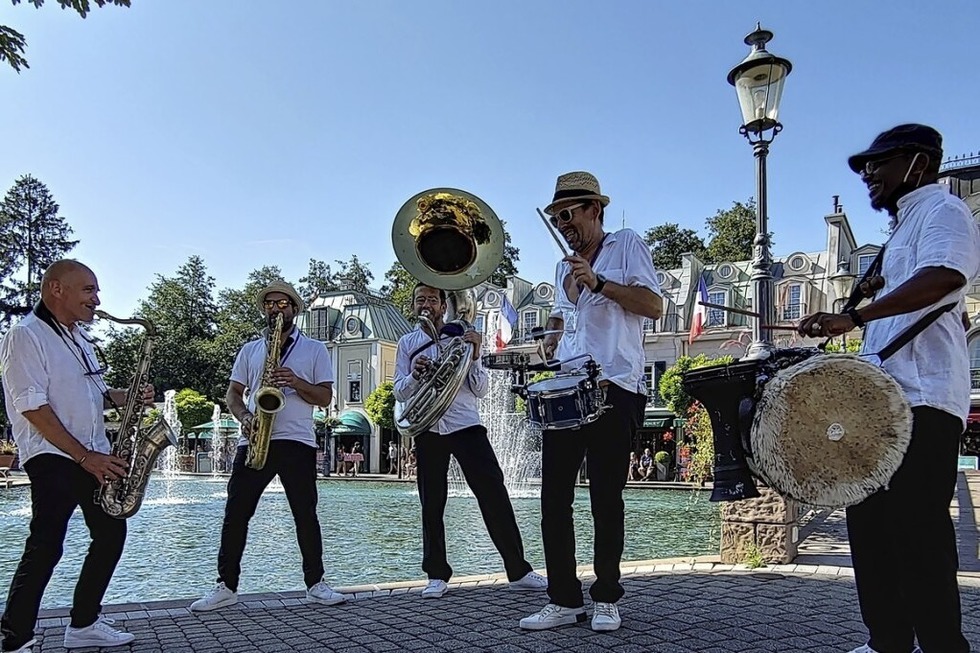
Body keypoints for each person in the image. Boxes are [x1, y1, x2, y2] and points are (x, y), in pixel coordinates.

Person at [799, 124, 979, 653]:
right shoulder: (899, 232)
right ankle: (888, 642)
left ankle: (944, 646)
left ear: (918, 163)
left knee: (917, 534)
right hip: (881, 404)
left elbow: (945, 276)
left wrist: (854, 314)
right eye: (863, 168)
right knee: (870, 528)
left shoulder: (945, 211)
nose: (867, 175)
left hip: (922, 399)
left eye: (878, 163)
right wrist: (852, 312)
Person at [520, 171, 662, 633]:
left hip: (615, 386)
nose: (562, 223)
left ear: (593, 210)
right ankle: (563, 599)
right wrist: (550, 341)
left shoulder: (626, 245)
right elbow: (566, 322)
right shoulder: (563, 267)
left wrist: (599, 283)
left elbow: (653, 305)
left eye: (569, 214)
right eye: (556, 217)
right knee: (552, 497)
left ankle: (605, 597)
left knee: (606, 497)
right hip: (567, 384)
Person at [0, 260, 150, 652]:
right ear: (56, 289)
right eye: (89, 290)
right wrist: (85, 457)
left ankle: (83, 624)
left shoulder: (79, 337)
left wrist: (130, 396)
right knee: (47, 542)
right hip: (53, 454)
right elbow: (32, 407)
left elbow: (95, 394)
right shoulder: (25, 335)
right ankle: (15, 637)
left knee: (111, 532)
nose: (97, 300)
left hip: (91, 452)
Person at [189, 281, 345, 611]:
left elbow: (326, 397)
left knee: (305, 515)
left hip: (297, 441)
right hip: (255, 438)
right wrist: (244, 415)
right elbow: (233, 394)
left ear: (294, 309)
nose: (276, 309)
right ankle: (226, 585)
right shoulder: (250, 350)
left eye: (282, 304)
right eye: (270, 304)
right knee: (235, 515)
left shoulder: (314, 349)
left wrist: (295, 382)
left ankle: (315, 584)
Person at [393, 282, 547, 599]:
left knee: (494, 492)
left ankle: (518, 569)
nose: (426, 304)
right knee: (431, 502)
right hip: (428, 427)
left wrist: (475, 353)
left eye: (432, 299)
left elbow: (480, 390)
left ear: (443, 304)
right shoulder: (408, 343)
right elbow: (399, 391)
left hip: (466, 424)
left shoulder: (463, 336)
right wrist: (415, 375)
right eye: (420, 299)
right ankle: (436, 575)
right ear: (413, 305)